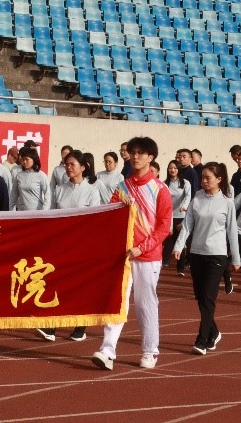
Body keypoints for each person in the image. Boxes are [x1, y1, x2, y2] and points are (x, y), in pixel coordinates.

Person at [92, 136, 171, 372]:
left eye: (141, 153)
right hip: (124, 256)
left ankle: (150, 350)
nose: (135, 157)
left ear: (151, 157)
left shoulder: (160, 189)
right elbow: (110, 218)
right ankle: (107, 350)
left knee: (145, 304)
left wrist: (142, 247)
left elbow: (164, 227)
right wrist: (120, 207)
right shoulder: (123, 187)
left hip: (147, 256)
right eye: (133, 152)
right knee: (117, 301)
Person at [174, 163, 240, 354]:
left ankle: (201, 340)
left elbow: (232, 231)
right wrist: (179, 246)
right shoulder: (197, 198)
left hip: (216, 256)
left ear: (219, 179)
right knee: (201, 297)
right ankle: (214, 332)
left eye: (208, 178)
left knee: (208, 298)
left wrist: (236, 258)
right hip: (196, 254)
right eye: (202, 177)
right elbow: (187, 225)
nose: (203, 181)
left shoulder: (227, 202)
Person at [37, 149, 100, 343]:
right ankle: (51, 326)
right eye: (66, 164)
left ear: (83, 167)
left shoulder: (92, 190)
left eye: (73, 164)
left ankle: (80, 327)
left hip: (82, 246)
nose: (69, 167)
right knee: (56, 283)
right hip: (61, 244)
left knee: (80, 287)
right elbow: (52, 215)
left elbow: (94, 219)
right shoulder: (59, 189)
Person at [163, 159, 192, 275]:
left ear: (179, 169)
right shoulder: (164, 183)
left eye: (175, 168)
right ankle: (164, 262)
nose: (172, 170)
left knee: (180, 240)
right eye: (170, 168)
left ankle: (180, 268)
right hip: (168, 215)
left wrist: (184, 206)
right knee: (168, 239)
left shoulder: (185, 183)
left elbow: (188, 196)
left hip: (181, 215)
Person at [11, 146, 50, 211]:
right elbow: (13, 195)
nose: (24, 162)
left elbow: (47, 194)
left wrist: (44, 211)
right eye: (23, 159)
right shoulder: (19, 176)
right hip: (22, 212)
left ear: (34, 159)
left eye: (27, 159)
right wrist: (11, 210)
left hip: (37, 212)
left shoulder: (41, 175)